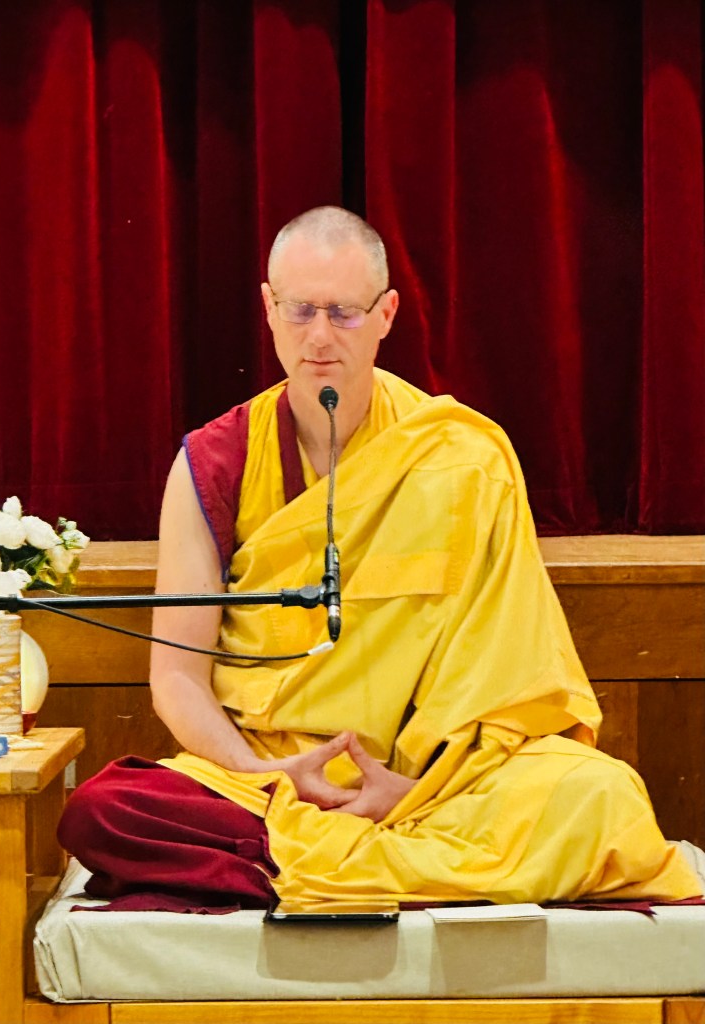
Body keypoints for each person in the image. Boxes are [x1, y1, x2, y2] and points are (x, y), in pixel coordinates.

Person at [59, 206, 700, 909]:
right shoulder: (216, 462)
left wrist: (420, 788)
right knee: (104, 811)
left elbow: (505, 675)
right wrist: (264, 773)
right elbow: (178, 677)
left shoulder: (460, 457)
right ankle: (427, 868)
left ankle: (312, 867)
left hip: (435, 783)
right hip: (271, 776)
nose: (320, 336)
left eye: (344, 312)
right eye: (300, 310)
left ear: (387, 313)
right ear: (269, 308)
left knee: (601, 795)